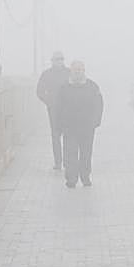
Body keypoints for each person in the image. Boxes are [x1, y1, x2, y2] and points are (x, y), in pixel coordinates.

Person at [55, 60, 103, 188]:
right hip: (69, 127)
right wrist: (59, 125)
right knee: (70, 154)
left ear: (84, 71)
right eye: (75, 69)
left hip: (87, 127)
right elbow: (58, 107)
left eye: (80, 69)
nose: (78, 72)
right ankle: (71, 178)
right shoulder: (64, 88)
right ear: (71, 71)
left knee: (86, 153)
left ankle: (85, 176)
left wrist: (95, 121)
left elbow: (99, 105)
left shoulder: (92, 86)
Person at [36, 51, 70, 170]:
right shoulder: (46, 74)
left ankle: (67, 161)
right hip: (54, 109)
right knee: (56, 136)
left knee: (68, 136)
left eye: (61, 59)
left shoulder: (69, 72)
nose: (59, 61)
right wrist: (49, 102)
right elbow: (39, 91)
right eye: (56, 59)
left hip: (67, 109)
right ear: (52, 61)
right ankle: (58, 162)